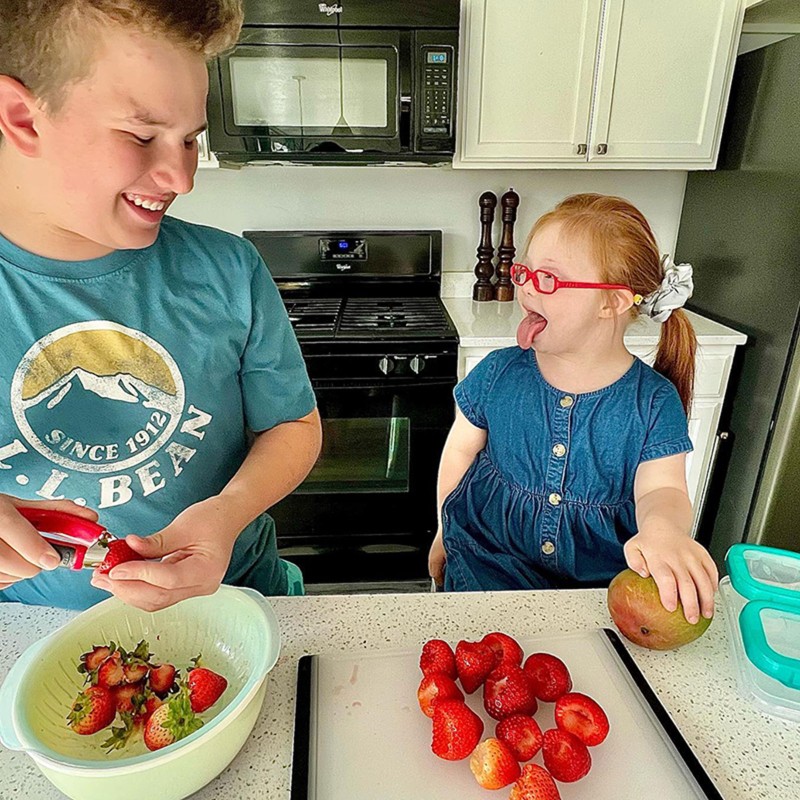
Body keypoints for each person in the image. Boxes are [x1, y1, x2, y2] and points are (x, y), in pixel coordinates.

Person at [0, 0, 322, 611]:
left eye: (190, 139)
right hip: (35, 636)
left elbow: (292, 427)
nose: (181, 178)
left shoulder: (227, 268)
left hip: (242, 601)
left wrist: (225, 517)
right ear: (22, 116)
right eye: (142, 135)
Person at [429, 193, 717, 625]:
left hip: (595, 593)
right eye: (524, 270)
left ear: (613, 302)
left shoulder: (653, 402)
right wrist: (443, 532)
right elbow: (459, 451)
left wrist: (664, 531)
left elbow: (664, 490)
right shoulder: (496, 374)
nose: (525, 286)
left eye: (548, 279)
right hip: (485, 568)